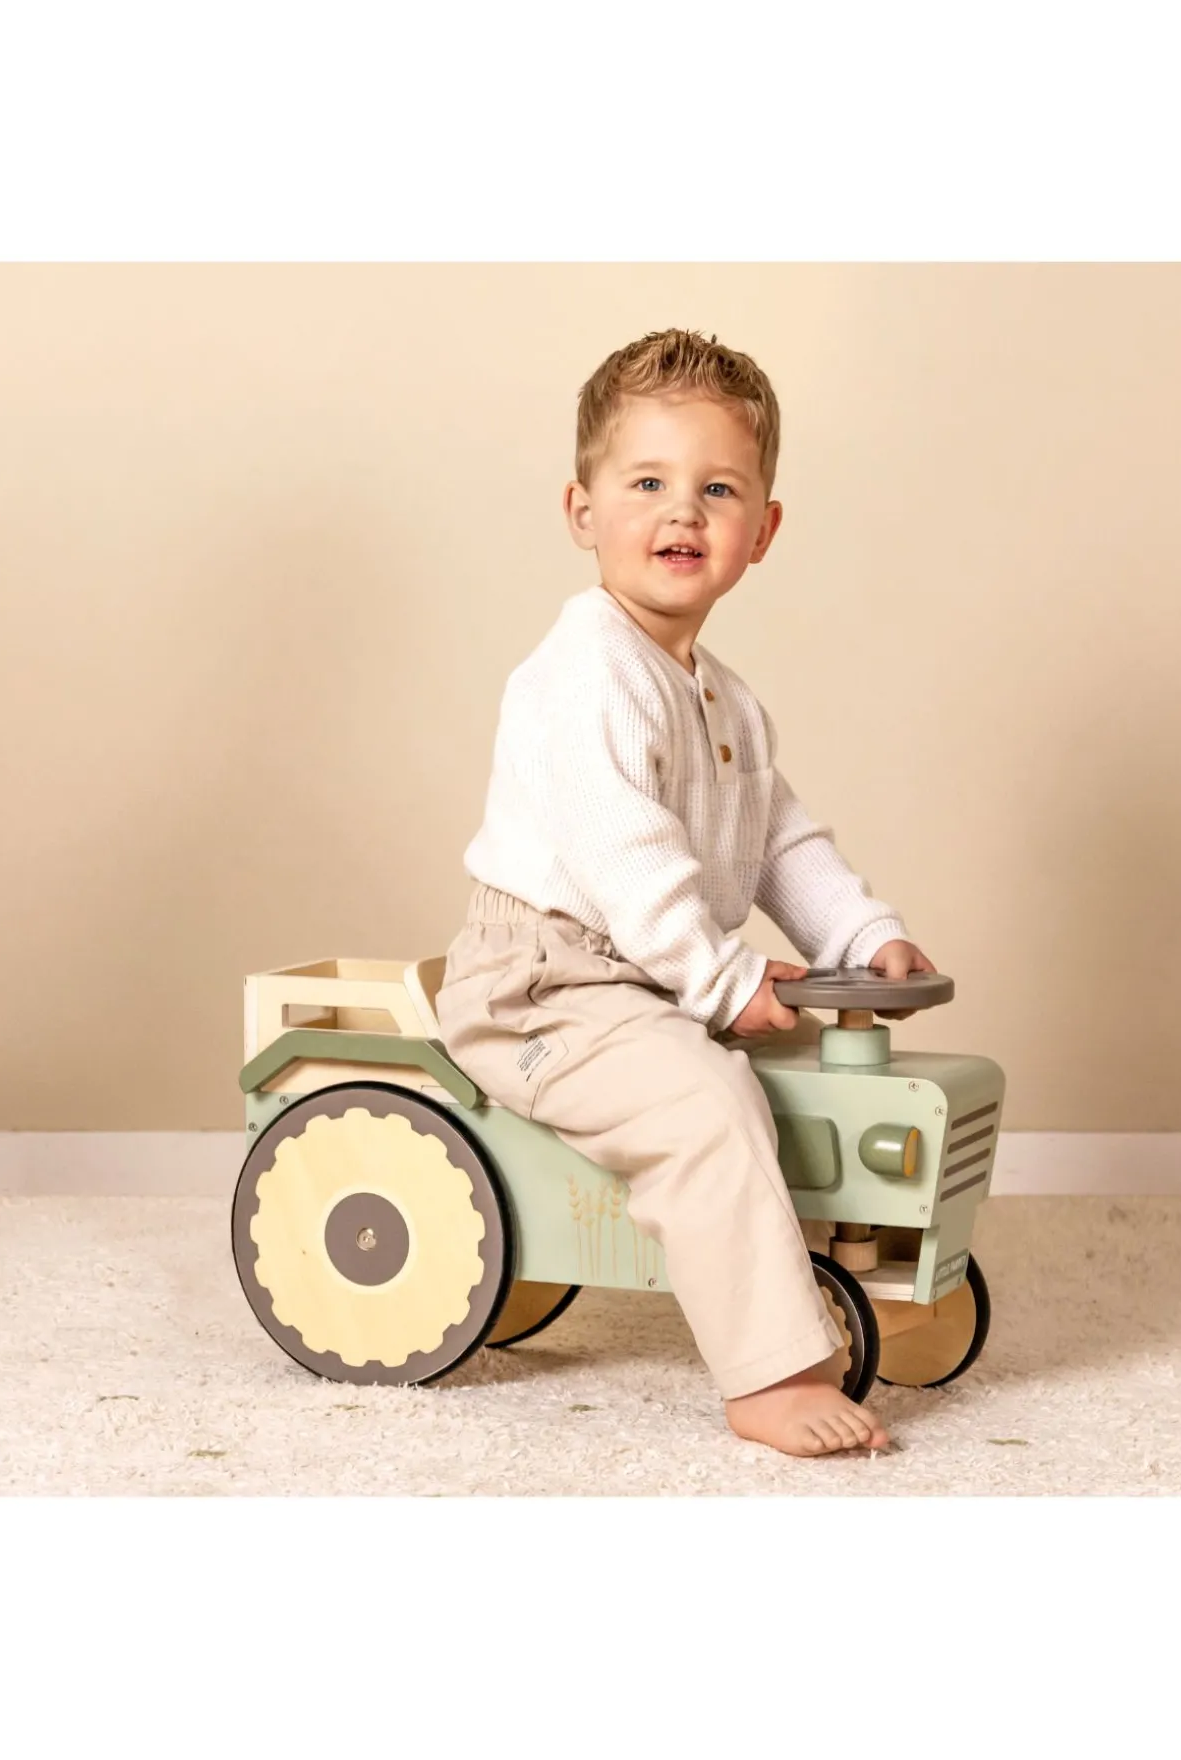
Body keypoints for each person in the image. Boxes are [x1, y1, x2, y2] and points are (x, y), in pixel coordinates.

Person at [436, 328, 937, 1457]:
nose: (683, 513)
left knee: (813, 1083)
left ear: (762, 530)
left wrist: (863, 932)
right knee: (708, 1105)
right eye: (648, 483)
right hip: (545, 986)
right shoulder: (582, 673)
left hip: (646, 974)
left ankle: (869, 1275)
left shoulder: (725, 700)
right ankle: (771, 1373)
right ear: (582, 511)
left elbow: (778, 839)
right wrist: (720, 979)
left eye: (717, 489)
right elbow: (628, 858)